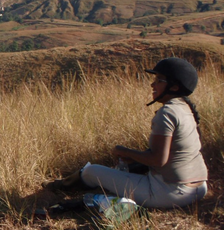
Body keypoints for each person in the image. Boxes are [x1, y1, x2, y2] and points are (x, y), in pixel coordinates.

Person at [46, 57, 208, 208]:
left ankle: (59, 187)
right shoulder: (186, 108)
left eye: (159, 80)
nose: (153, 84)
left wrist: (123, 151)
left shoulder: (167, 113)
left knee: (92, 171)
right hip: (199, 189)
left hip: (170, 193)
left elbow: (158, 160)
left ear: (174, 86)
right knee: (127, 168)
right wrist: (135, 157)